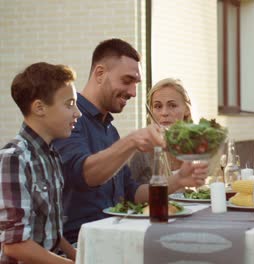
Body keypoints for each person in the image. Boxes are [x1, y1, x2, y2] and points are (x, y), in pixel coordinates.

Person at [52, 39, 207, 244]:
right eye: (127, 81)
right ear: (100, 74)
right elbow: (85, 174)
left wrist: (178, 180)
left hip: (117, 235)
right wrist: (132, 141)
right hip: (82, 243)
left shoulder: (110, 131)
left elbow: (133, 194)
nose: (133, 92)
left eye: (136, 84)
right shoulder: (71, 120)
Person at [0, 62, 81, 263]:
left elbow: (51, 232)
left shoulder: (50, 156)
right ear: (39, 108)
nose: (77, 113)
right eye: (69, 104)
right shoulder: (14, 158)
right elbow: (15, 245)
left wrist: (81, 258)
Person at [129, 77, 207, 184]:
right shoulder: (142, 152)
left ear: (186, 110)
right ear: (151, 110)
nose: (164, 112)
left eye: (172, 105)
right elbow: (130, 196)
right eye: (158, 106)